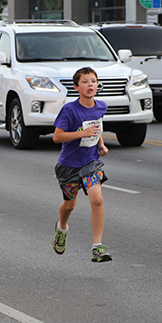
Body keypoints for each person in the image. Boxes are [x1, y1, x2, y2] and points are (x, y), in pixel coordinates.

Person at [52, 67, 112, 263]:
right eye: (85, 82)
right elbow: (57, 137)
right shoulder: (69, 110)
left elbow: (97, 126)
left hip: (91, 162)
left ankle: (97, 247)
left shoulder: (100, 106)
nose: (90, 85)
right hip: (69, 165)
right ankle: (62, 228)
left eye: (93, 81)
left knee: (97, 200)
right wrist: (81, 134)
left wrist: (101, 144)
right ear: (76, 87)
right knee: (69, 205)